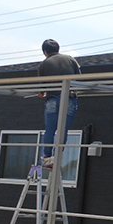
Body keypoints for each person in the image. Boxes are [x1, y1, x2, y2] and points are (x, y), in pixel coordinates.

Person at [38, 39, 81, 169]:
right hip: (69, 98)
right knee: (63, 129)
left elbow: (42, 86)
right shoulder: (70, 59)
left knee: (50, 129)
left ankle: (47, 157)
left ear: (45, 51)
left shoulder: (44, 64)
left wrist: (41, 93)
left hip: (52, 98)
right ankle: (58, 157)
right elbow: (78, 78)